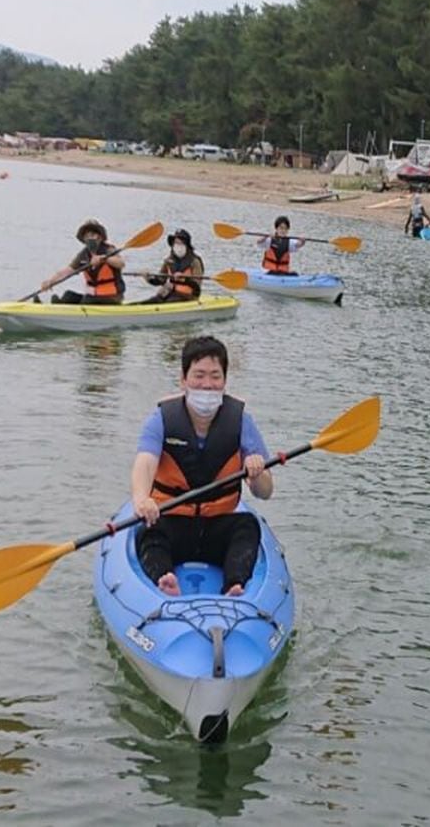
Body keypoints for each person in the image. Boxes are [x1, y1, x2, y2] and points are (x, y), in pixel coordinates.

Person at [130, 336, 273, 597]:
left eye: (215, 376)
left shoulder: (241, 421)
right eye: (198, 375)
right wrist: (141, 499)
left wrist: (257, 473)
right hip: (174, 522)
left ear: (224, 381)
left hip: (217, 525)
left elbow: (265, 492)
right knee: (150, 531)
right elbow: (145, 464)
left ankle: (234, 585)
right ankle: (165, 579)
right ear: (183, 379)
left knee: (247, 526)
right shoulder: (161, 419)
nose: (207, 384)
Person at [40, 219, 126, 304]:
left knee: (87, 300)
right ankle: (58, 307)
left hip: (112, 296)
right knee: (69, 296)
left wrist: (105, 258)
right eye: (87, 236)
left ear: (100, 237)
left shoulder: (108, 249)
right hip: (93, 296)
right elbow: (67, 271)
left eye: (92, 235)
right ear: (84, 239)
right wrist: (50, 281)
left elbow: (121, 263)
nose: (90, 238)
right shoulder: (83, 255)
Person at [137, 228, 204, 303]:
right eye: (175, 243)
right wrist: (149, 278)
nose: (178, 246)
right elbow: (160, 280)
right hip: (170, 293)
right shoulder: (168, 260)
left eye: (181, 243)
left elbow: (197, 285)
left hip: (188, 296)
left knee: (169, 301)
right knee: (147, 302)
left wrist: (184, 279)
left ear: (187, 245)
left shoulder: (194, 261)